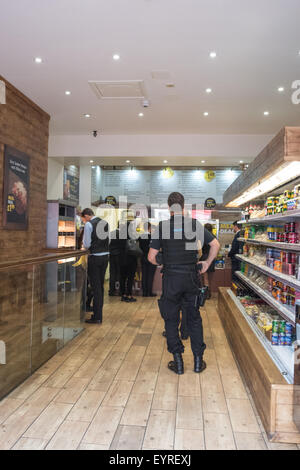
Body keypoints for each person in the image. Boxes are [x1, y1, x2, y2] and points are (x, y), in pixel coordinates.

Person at [148, 192, 220, 375]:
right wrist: (206, 263)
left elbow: (151, 257)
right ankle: (198, 362)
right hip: (191, 279)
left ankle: (178, 363)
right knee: (194, 318)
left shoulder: (162, 227)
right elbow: (215, 245)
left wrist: (163, 262)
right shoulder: (193, 225)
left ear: (168, 207)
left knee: (171, 320)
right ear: (183, 206)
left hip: (171, 279)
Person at [81, 208, 109, 324]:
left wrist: (83, 247)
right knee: (100, 287)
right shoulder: (105, 223)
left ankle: (97, 317)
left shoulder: (89, 224)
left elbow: (86, 244)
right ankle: (98, 314)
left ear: (86, 216)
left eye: (83, 218)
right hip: (105, 257)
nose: (83, 221)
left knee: (95, 287)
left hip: (95, 257)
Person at [118, 220, 138, 302]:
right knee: (130, 278)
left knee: (122, 278)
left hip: (122, 259)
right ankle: (129, 295)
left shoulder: (120, 235)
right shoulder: (132, 235)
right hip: (131, 260)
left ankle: (123, 295)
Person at [200, 223, 217, 299]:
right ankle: (208, 292)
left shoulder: (203, 237)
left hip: (205, 257)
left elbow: (200, 250)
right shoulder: (214, 237)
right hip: (212, 258)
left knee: (205, 277)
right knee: (209, 277)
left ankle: (206, 294)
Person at [140, 222, 157, 297]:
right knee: (150, 275)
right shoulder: (153, 237)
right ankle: (149, 292)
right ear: (150, 228)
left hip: (143, 257)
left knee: (144, 275)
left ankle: (144, 292)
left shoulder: (140, 237)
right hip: (151, 257)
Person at [108, 225, 121, 296]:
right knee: (119, 273)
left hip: (112, 255)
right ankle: (118, 290)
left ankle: (111, 290)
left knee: (112, 273)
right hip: (119, 255)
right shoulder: (123, 234)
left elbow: (108, 243)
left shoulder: (111, 233)